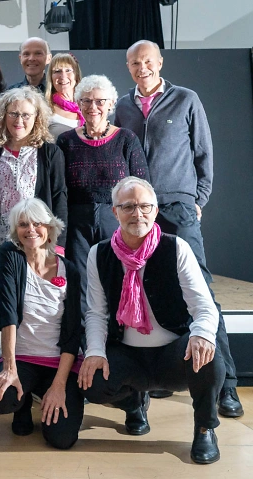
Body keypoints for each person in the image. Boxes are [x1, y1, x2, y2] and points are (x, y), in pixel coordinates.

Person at [114, 40, 243, 416]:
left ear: (160, 62)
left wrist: (196, 200)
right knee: (149, 289)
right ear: (128, 66)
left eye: (147, 61)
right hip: (138, 211)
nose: (142, 68)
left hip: (177, 207)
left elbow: (204, 153)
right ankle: (160, 376)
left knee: (201, 290)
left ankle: (226, 385)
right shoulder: (121, 106)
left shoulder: (186, 99)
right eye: (135, 63)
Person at [80, 177, 224, 465]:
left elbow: (204, 306)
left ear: (155, 211)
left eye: (145, 206)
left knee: (210, 355)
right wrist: (94, 352)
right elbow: (96, 313)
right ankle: (133, 403)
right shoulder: (99, 254)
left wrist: (201, 334)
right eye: (128, 207)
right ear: (115, 212)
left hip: (173, 353)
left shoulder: (176, 247)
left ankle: (204, 428)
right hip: (128, 354)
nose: (138, 214)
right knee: (90, 382)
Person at [0, 198, 83, 450]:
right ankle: (23, 401)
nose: (30, 230)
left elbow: (73, 333)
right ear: (15, 230)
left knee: (62, 439)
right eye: (23, 225)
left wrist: (59, 385)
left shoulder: (70, 270)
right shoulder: (10, 256)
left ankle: (45, 392)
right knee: (1, 399)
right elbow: (8, 314)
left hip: (57, 364)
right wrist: (10, 368)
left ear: (49, 227)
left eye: (37, 223)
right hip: (22, 359)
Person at [56, 75, 149, 300]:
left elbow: (142, 186)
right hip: (76, 222)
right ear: (79, 104)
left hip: (117, 220)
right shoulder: (66, 141)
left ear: (110, 104)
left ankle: (117, 324)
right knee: (79, 284)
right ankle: (81, 325)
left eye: (100, 101)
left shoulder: (126, 139)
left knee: (116, 281)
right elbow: (59, 189)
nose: (93, 107)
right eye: (86, 101)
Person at [0, 86, 67, 275]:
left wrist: (58, 244)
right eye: (13, 114)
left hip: (39, 242)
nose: (19, 120)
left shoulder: (50, 153)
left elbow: (59, 198)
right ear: (3, 116)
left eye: (26, 115)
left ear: (37, 118)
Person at [45, 52, 83, 138]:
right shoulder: (45, 110)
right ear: (51, 77)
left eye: (68, 70)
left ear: (76, 75)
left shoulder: (89, 106)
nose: (63, 76)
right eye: (57, 71)